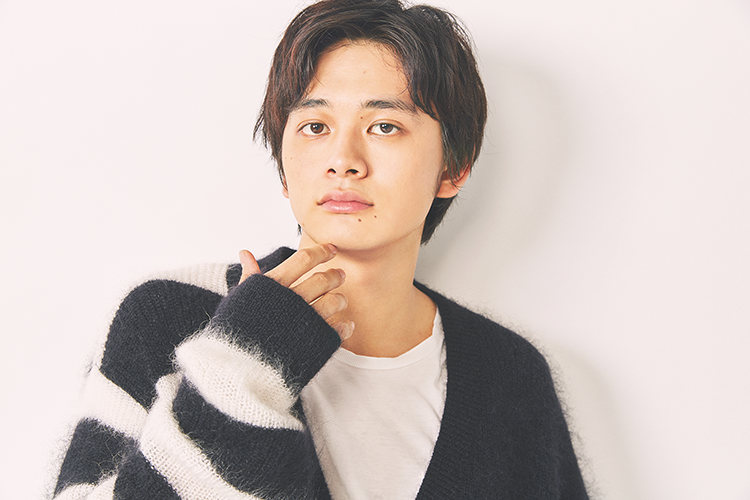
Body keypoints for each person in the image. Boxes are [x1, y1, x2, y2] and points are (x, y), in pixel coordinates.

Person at [52, 0, 589, 498]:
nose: (343, 160)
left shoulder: (509, 377)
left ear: (453, 168)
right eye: (315, 126)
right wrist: (243, 367)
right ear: (284, 168)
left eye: (384, 126)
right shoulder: (169, 314)